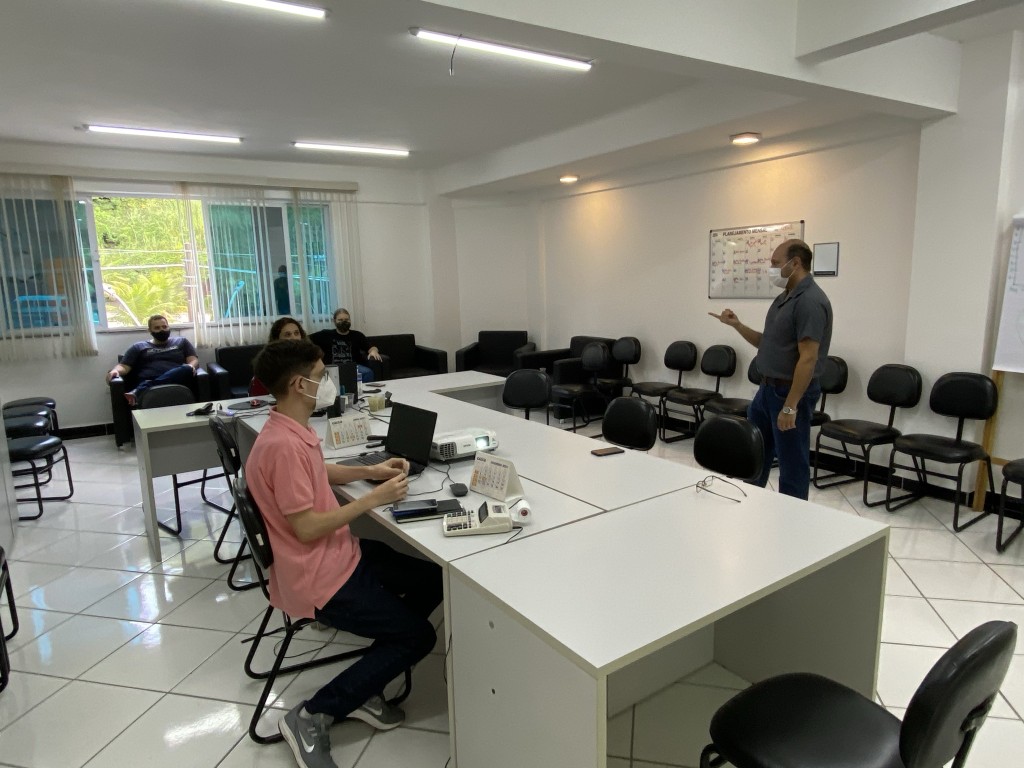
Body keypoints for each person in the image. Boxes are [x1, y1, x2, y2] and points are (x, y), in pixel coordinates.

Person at [245, 339, 443, 768]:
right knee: (418, 636)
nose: (328, 384)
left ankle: (368, 680)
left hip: (340, 555)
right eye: (321, 376)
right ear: (300, 384)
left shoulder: (287, 428)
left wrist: (371, 471)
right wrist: (374, 499)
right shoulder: (281, 446)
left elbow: (318, 471)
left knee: (433, 578)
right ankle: (313, 715)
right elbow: (307, 526)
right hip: (320, 577)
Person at [709, 238, 832, 499]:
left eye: (776, 263)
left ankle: (790, 521)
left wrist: (791, 406)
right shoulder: (783, 298)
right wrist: (737, 325)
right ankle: (753, 506)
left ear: (795, 263)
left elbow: (808, 358)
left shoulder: (810, 301)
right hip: (766, 391)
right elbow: (766, 343)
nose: (771, 269)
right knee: (754, 455)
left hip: (789, 394)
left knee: (792, 465)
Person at [107, 314, 200, 406]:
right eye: (157, 328)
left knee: (187, 368)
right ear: (150, 330)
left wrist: (191, 366)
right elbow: (123, 366)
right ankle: (147, 386)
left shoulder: (181, 341)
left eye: (164, 327)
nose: (162, 330)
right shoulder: (139, 346)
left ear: (169, 327)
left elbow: (193, 360)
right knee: (186, 369)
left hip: (177, 381)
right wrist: (115, 370)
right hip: (150, 381)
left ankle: (142, 388)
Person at [309, 308, 381, 383]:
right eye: (340, 320)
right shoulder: (325, 334)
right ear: (334, 321)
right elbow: (305, 339)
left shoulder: (357, 335)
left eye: (346, 320)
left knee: (368, 373)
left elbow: (371, 347)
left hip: (353, 367)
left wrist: (374, 351)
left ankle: (365, 393)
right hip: (332, 368)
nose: (344, 322)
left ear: (350, 320)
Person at [249, 317, 308, 396]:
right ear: (277, 340)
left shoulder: (309, 359)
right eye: (288, 334)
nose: (294, 338)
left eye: (296, 333)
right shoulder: (268, 364)